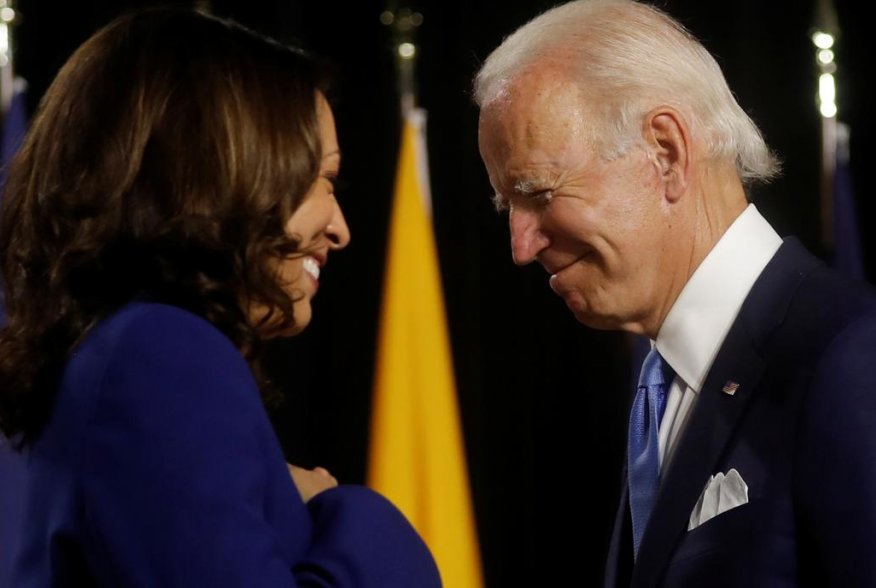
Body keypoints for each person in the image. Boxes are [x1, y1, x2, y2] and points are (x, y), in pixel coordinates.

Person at [0, 8, 441, 587]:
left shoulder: (116, 348)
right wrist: (347, 513)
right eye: (323, 180)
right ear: (228, 171)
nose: (340, 228)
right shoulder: (160, 354)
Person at [475, 0, 876, 586]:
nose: (521, 244)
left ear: (666, 153)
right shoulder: (660, 389)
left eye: (536, 191)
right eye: (506, 206)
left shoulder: (848, 357)